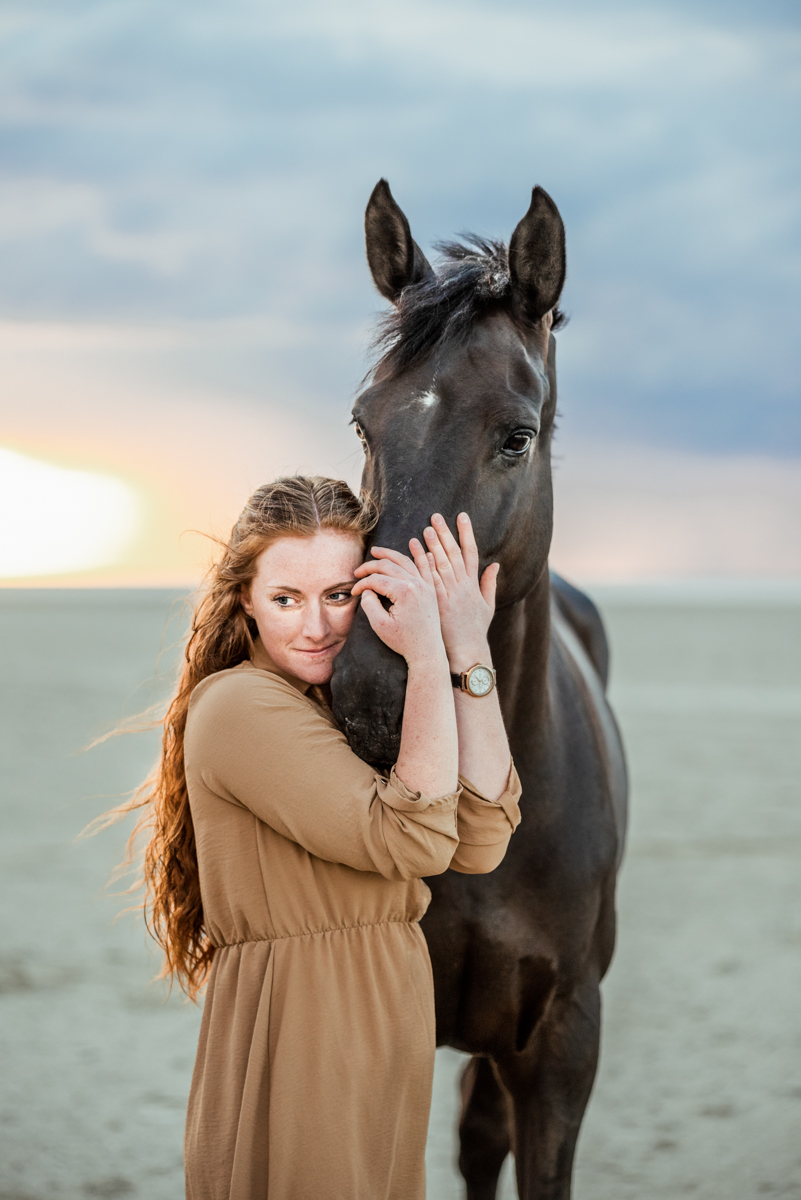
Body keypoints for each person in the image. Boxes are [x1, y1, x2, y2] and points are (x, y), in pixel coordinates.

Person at [120, 475, 520, 1200]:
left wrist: (466, 647)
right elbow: (417, 846)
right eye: (286, 599)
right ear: (244, 597)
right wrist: (429, 659)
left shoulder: (337, 708)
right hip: (303, 1023)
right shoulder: (240, 705)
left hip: (384, 1016)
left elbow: (480, 836)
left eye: (338, 595)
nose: (317, 627)